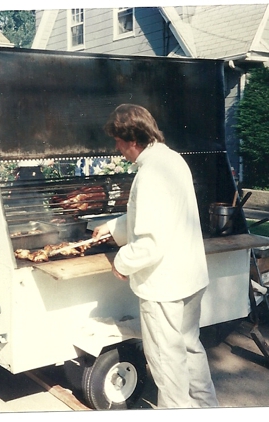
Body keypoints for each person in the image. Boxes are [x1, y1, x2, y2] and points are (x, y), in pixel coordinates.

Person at [92, 104, 219, 409]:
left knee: (167, 363)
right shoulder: (171, 160)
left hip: (165, 287)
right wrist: (112, 228)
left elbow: (149, 243)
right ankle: (208, 409)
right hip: (190, 278)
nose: (117, 149)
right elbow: (162, 217)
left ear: (132, 139)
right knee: (189, 349)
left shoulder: (149, 175)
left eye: (118, 142)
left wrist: (121, 263)